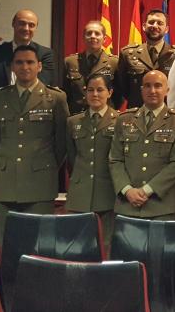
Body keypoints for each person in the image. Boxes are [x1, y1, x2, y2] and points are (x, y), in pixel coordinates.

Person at [0, 44, 69, 237]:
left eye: (30, 62)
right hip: (6, 183)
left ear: (39, 66)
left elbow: (62, 142)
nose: (25, 67)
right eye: (19, 62)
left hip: (40, 181)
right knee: (7, 241)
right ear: (12, 67)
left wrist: (46, 165)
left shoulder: (55, 98)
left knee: (40, 240)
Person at [108, 70, 175, 220]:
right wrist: (127, 190)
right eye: (147, 86)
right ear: (141, 90)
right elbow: (115, 159)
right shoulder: (124, 119)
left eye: (158, 86)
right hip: (128, 204)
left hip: (161, 205)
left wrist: (147, 190)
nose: (152, 90)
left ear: (167, 90)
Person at [64, 74, 119, 247]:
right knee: (78, 245)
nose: (95, 94)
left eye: (100, 90)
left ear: (109, 93)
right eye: (90, 90)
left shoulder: (120, 121)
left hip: (108, 192)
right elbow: (71, 157)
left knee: (107, 244)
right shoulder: (73, 122)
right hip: (80, 193)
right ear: (85, 92)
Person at [116, 9, 175, 108]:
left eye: (160, 23)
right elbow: (122, 87)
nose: (155, 26)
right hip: (137, 113)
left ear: (166, 29)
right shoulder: (128, 54)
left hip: (167, 115)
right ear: (144, 26)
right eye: (151, 22)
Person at [0, 9, 56, 95]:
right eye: (22, 23)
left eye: (31, 25)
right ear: (13, 24)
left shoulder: (45, 54)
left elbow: (43, 85)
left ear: (36, 28)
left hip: (32, 105)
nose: (26, 28)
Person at [63, 20, 119, 114]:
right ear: (83, 38)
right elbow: (64, 92)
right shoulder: (70, 62)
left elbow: (119, 94)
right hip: (77, 116)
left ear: (104, 39)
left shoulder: (114, 62)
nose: (93, 36)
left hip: (105, 116)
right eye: (89, 33)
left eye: (97, 34)